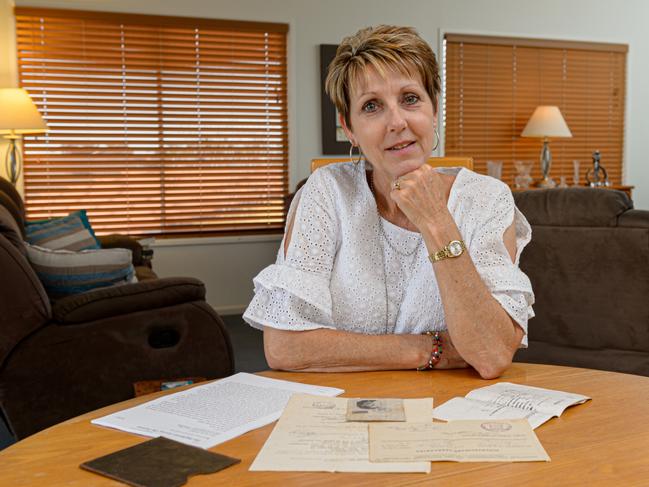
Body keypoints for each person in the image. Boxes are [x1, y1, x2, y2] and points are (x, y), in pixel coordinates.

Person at [243, 25, 534, 379]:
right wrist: (435, 348)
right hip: (339, 410)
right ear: (349, 127)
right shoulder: (327, 191)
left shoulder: (487, 198)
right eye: (372, 106)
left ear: (434, 109)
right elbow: (285, 346)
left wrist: (437, 222)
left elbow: (490, 355)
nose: (397, 122)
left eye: (410, 98)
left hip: (449, 410)